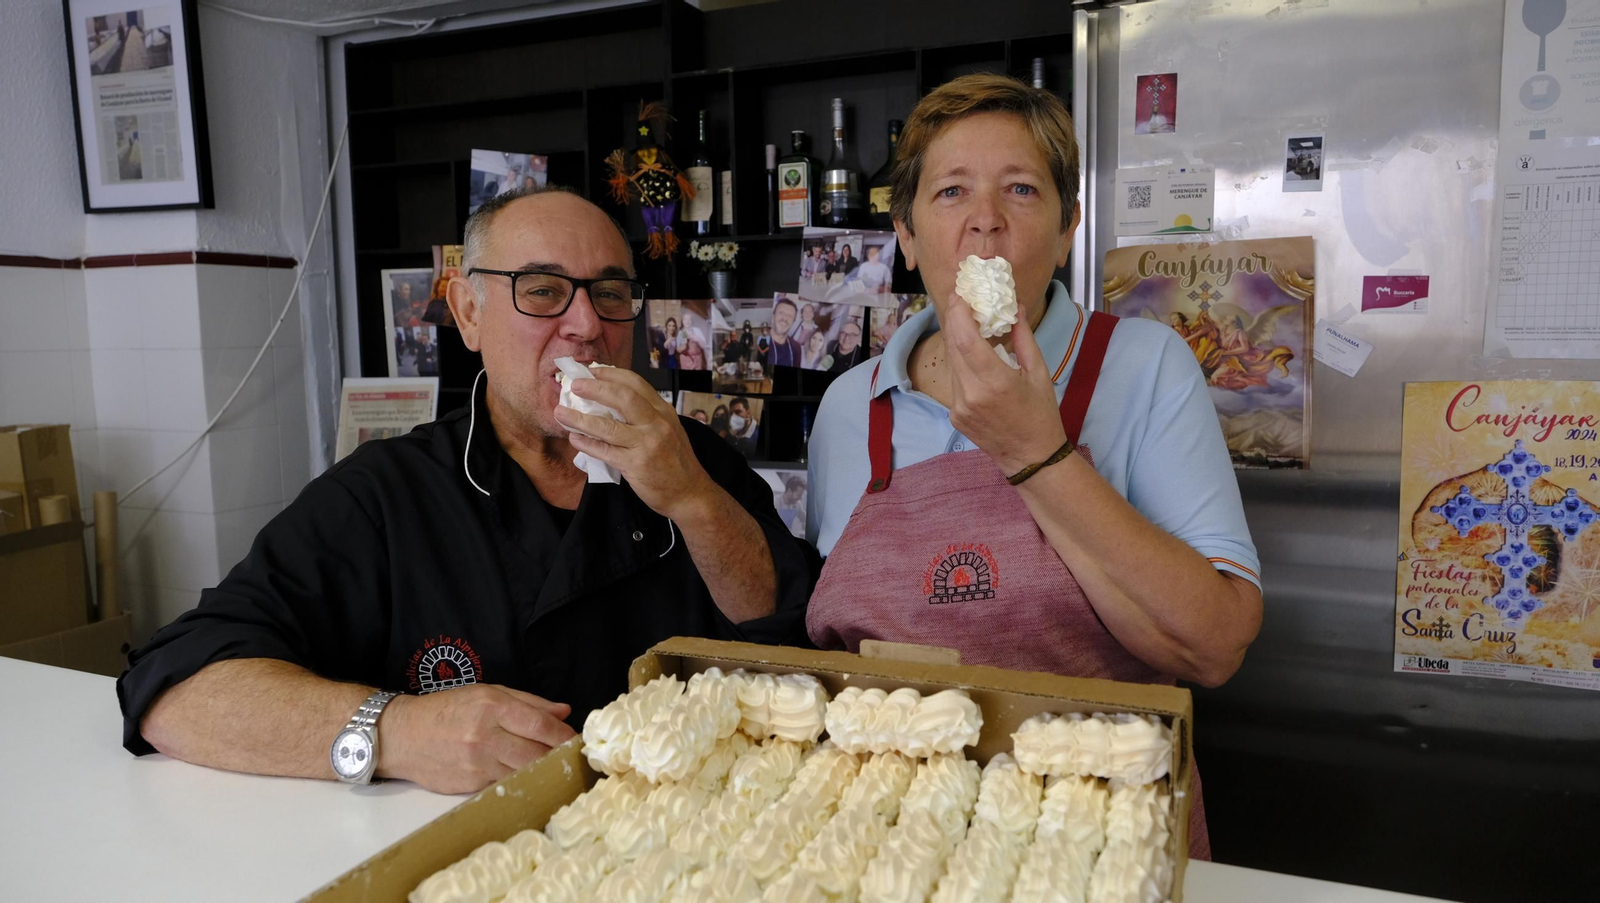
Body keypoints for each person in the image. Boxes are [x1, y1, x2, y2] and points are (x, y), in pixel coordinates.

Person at [118, 185, 817, 795]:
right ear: (469, 312)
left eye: (610, 293)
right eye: (542, 290)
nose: (586, 326)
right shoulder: (386, 495)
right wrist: (396, 731)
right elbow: (176, 687)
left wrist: (693, 500)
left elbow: (800, 642)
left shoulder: (698, 463)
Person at [803, 74, 1262, 861]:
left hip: (1094, 841)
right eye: (951, 193)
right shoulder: (851, 406)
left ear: (1066, 229)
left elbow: (1213, 645)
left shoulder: (1144, 366)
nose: (986, 222)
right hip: (889, 844)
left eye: (1021, 189)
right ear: (907, 236)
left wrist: (1035, 452)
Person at [767, 297, 801, 368]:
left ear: (793, 322)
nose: (785, 318)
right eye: (781, 313)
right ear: (773, 316)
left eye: (790, 316)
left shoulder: (796, 347)